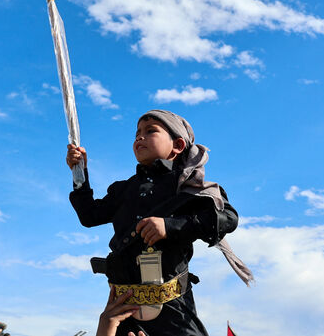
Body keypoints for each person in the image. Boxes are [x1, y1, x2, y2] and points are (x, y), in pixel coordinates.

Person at [67, 110, 252, 336]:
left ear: (178, 145)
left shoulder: (190, 187)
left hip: (173, 308)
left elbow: (228, 218)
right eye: (137, 133)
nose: (140, 137)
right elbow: (89, 216)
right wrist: (80, 175)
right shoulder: (123, 190)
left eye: (151, 131)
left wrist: (170, 227)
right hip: (123, 309)